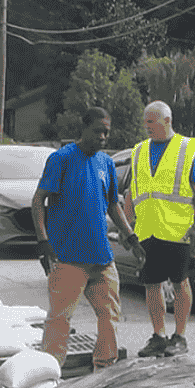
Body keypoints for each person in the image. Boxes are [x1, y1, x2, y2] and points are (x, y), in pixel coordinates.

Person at [31, 107, 146, 372]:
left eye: (107, 132)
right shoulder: (62, 159)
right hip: (68, 259)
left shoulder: (105, 162)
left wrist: (130, 236)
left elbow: (112, 205)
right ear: (83, 129)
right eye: (98, 132)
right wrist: (42, 241)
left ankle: (104, 371)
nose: (103, 137)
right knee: (59, 320)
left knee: (109, 317)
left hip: (102, 259)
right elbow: (38, 200)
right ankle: (49, 376)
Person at [122, 101, 195, 358]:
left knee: (180, 283)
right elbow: (132, 191)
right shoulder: (138, 151)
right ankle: (158, 335)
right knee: (151, 284)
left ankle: (179, 337)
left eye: (151, 121)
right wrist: (127, 226)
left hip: (178, 230)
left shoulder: (187, 148)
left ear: (167, 121)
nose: (146, 127)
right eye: (145, 121)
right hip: (147, 230)